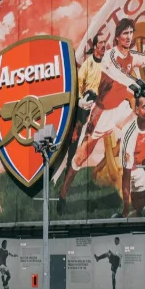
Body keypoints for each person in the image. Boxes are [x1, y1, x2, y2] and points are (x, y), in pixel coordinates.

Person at [59, 19, 145, 213]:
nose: (129, 37)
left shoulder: (131, 56)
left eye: (131, 33)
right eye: (125, 33)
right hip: (102, 113)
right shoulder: (109, 57)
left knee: (141, 134)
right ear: (117, 37)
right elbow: (122, 76)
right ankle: (63, 194)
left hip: (122, 110)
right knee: (79, 158)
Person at [58, 34, 107, 215]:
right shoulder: (87, 65)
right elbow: (78, 87)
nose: (104, 45)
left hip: (104, 107)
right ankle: (63, 192)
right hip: (85, 108)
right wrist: (80, 102)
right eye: (101, 43)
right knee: (76, 146)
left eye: (105, 43)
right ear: (95, 46)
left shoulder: (109, 63)